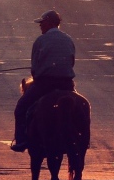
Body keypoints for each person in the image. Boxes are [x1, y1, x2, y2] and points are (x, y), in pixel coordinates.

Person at [10, 10, 76, 152]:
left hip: (44, 84)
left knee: (21, 108)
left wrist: (40, 72)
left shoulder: (41, 41)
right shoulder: (68, 39)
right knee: (80, 106)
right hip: (67, 84)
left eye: (42, 23)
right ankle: (80, 139)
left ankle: (21, 140)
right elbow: (71, 62)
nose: (40, 26)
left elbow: (34, 68)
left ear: (49, 23)